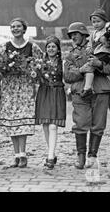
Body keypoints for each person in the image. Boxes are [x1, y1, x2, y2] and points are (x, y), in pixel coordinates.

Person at [64, 22, 110, 169]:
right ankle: (81, 157)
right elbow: (67, 76)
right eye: (71, 35)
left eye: (76, 34)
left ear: (84, 34)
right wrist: (80, 70)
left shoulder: (99, 48)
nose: (73, 37)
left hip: (100, 90)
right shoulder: (71, 55)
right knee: (80, 123)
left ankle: (92, 155)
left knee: (98, 124)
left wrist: (99, 63)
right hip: (81, 92)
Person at [0, 18, 42, 168]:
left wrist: (31, 70)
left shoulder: (32, 46)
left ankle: (23, 154)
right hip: (9, 87)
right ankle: (16, 155)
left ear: (24, 29)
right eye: (12, 27)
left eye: (18, 26)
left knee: (22, 120)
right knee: (11, 121)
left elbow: (39, 64)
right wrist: (4, 69)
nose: (15, 29)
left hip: (25, 87)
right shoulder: (4, 47)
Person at [35, 36, 66, 169]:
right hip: (44, 92)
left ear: (58, 49)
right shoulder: (40, 62)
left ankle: (50, 157)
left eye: (53, 46)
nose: (51, 49)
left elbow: (68, 76)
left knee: (53, 125)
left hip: (57, 92)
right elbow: (35, 77)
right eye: (48, 47)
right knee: (46, 125)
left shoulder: (63, 62)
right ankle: (51, 152)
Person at [80, 9, 110, 98]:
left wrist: (106, 39)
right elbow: (90, 43)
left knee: (89, 66)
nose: (96, 24)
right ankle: (88, 86)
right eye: (94, 22)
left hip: (104, 53)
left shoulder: (108, 29)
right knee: (89, 67)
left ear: (105, 21)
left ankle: (87, 87)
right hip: (96, 53)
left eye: (98, 21)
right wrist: (89, 48)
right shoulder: (93, 33)